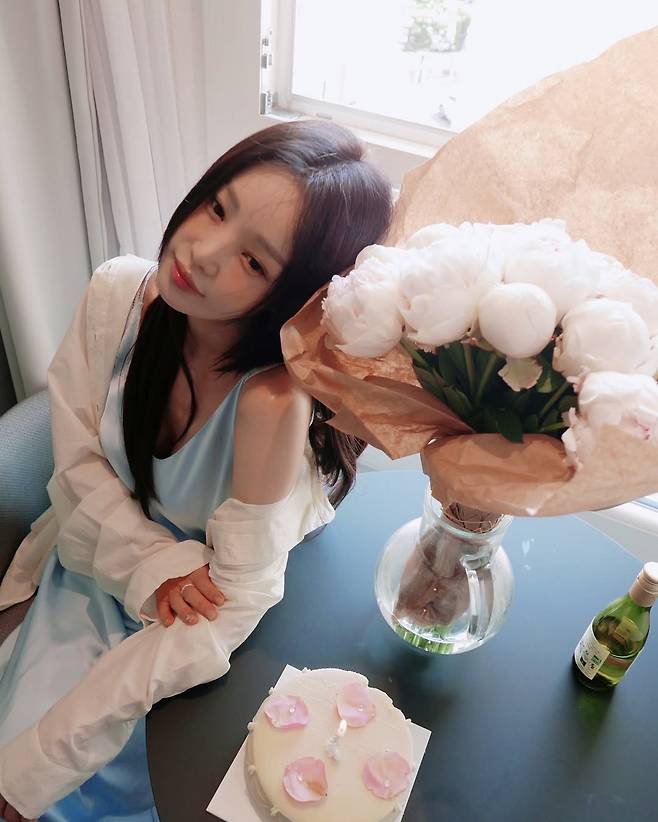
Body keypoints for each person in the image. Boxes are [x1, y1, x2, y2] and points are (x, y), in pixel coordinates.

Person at [0, 119, 393, 821]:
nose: (202, 252)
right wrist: (155, 565)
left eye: (254, 262)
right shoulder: (119, 296)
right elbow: (79, 464)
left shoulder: (272, 402)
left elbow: (230, 604)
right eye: (217, 207)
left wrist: (42, 763)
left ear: (295, 296)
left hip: (188, 631)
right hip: (93, 562)